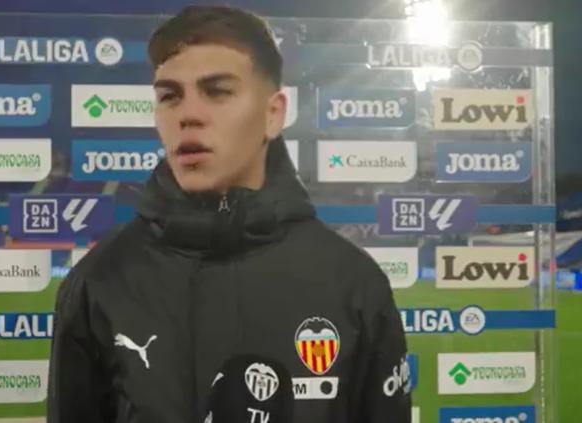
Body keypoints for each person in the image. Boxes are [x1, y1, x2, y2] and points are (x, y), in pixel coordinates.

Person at [47, 5, 411, 423]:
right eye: (169, 96)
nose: (188, 115)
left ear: (273, 114)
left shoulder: (354, 284)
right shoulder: (99, 282)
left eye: (217, 91)